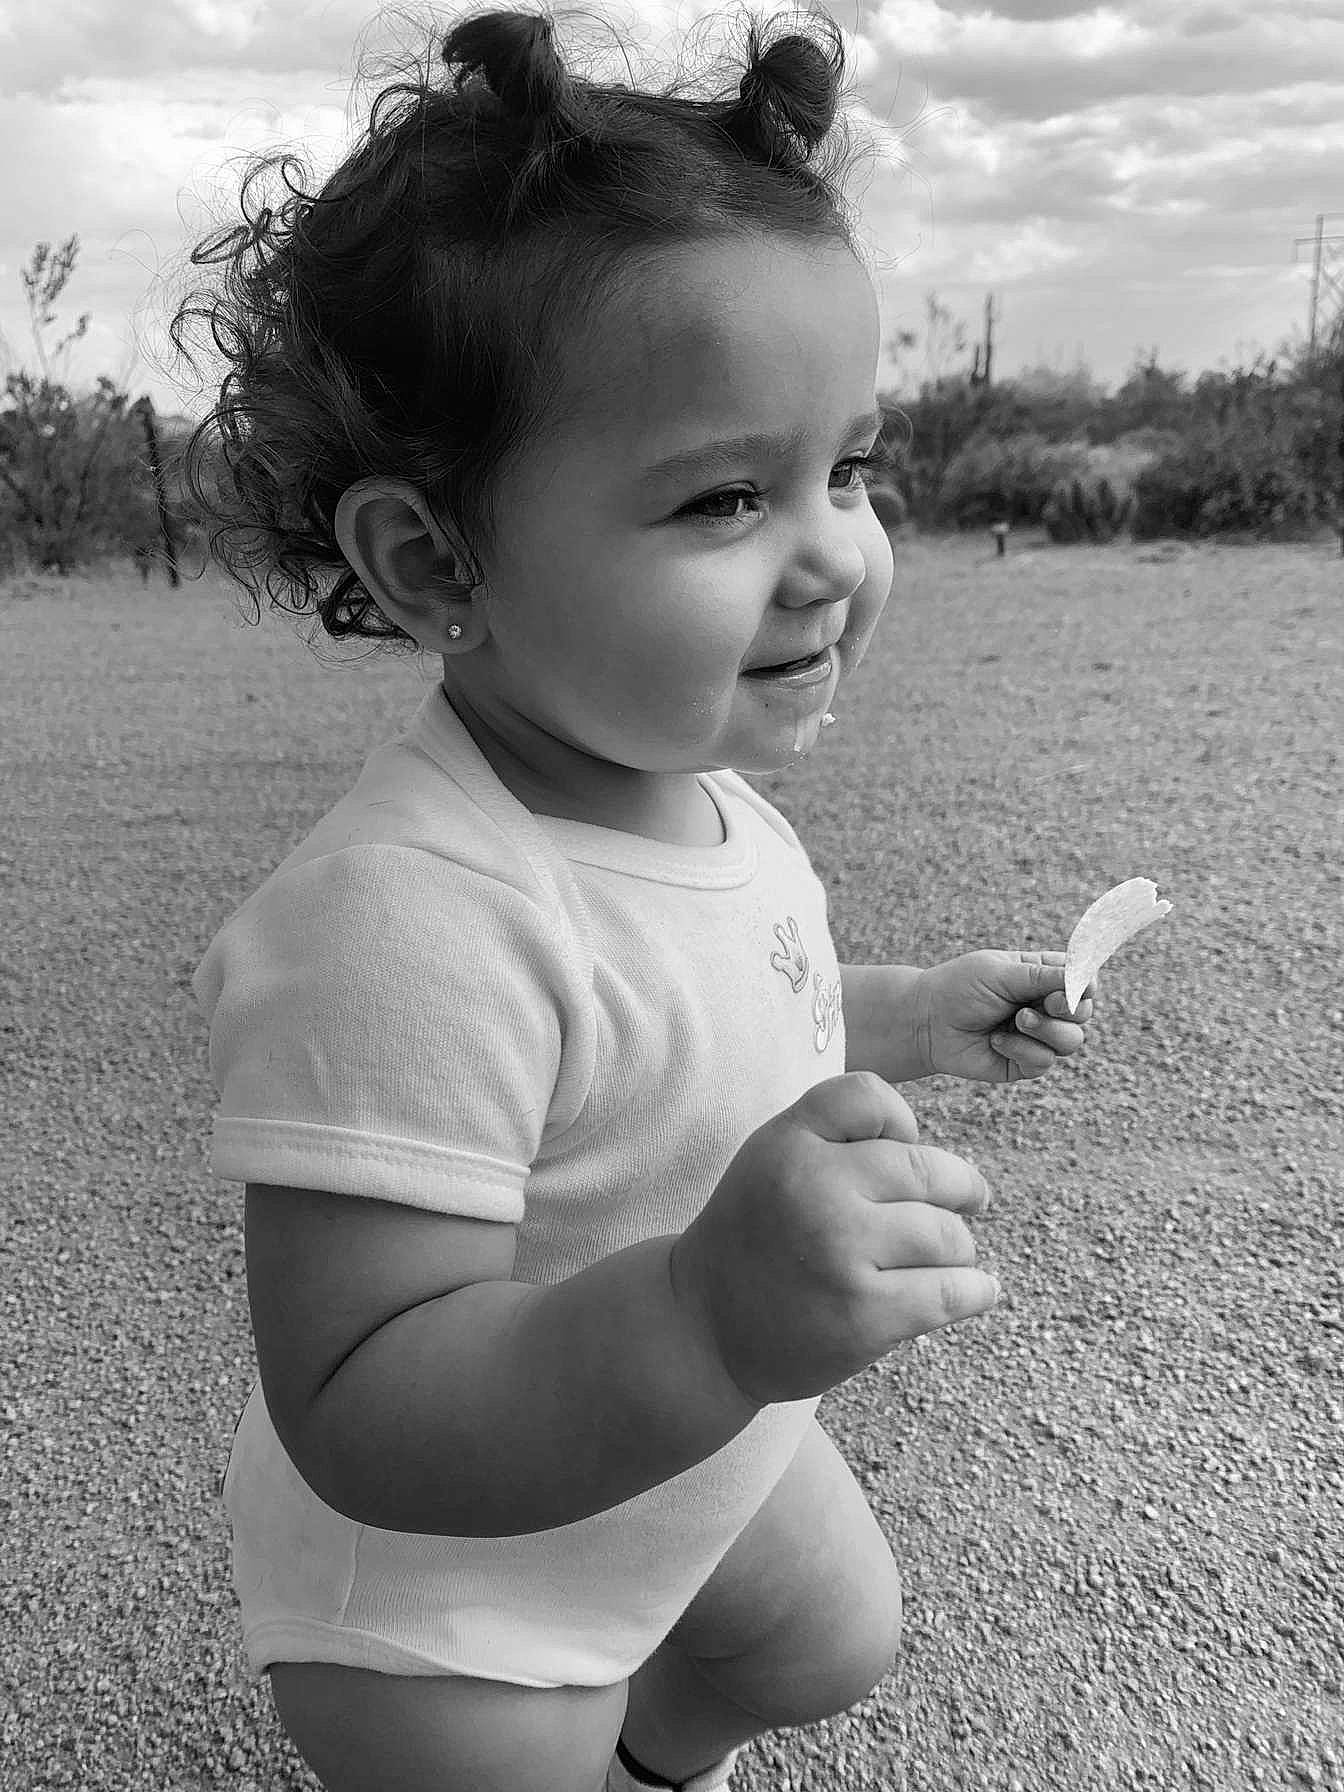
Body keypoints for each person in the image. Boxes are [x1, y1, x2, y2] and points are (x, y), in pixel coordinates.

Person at [182, 7, 1096, 1790]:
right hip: (458, 1586)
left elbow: (698, 1000)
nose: (834, 549)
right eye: (728, 495)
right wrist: (701, 1319)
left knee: (832, 1639)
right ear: (437, 561)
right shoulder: (401, 922)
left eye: (852, 468)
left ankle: (654, 1758)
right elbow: (359, 1399)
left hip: (690, 1442)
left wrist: (900, 1015)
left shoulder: (688, 790)